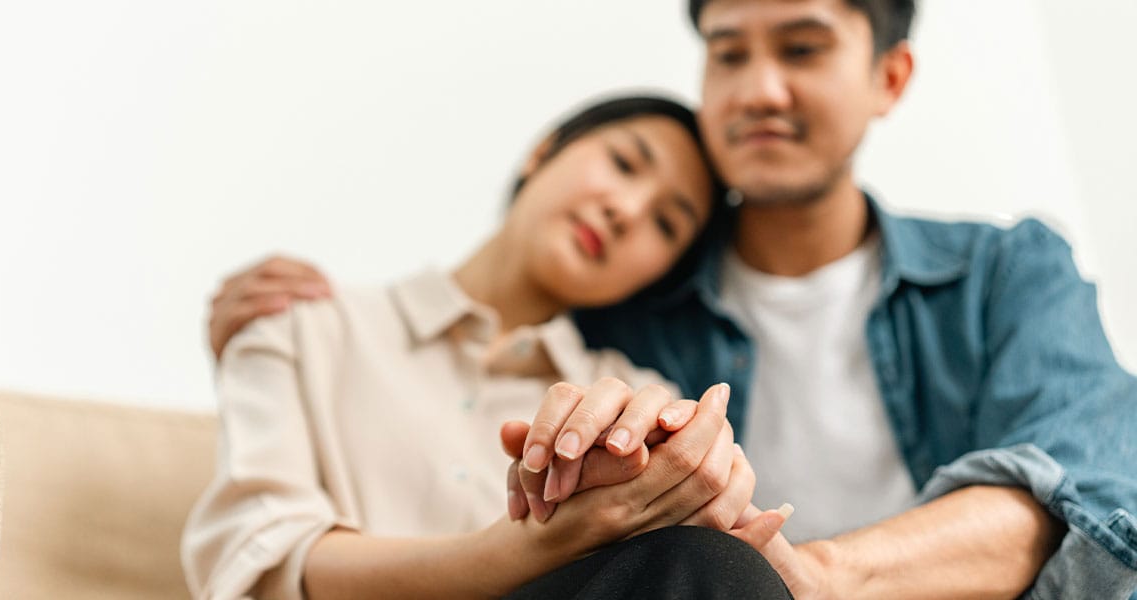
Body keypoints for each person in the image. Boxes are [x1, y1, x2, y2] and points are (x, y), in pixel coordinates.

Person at [207, 1, 1137, 598]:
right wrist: (258, 331)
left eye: (803, 47)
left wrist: (811, 573)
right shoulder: (627, 326)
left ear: (889, 77)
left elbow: (1089, 501)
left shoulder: (1006, 276)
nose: (759, 88)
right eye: (728, 53)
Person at [183, 95, 796, 599]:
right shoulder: (299, 325)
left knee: (716, 564)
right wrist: (533, 548)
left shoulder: (629, 408)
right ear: (544, 149)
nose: (626, 210)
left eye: (666, 223)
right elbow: (254, 568)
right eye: (624, 163)